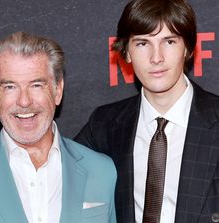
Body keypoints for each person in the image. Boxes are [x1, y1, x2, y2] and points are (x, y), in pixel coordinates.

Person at [0, 31, 117, 223]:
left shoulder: (101, 170)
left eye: (36, 85)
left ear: (58, 90)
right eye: (10, 86)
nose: (24, 101)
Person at [75, 0, 219, 222]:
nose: (156, 57)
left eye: (169, 41)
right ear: (127, 52)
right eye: (143, 43)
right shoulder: (105, 124)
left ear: (188, 48)